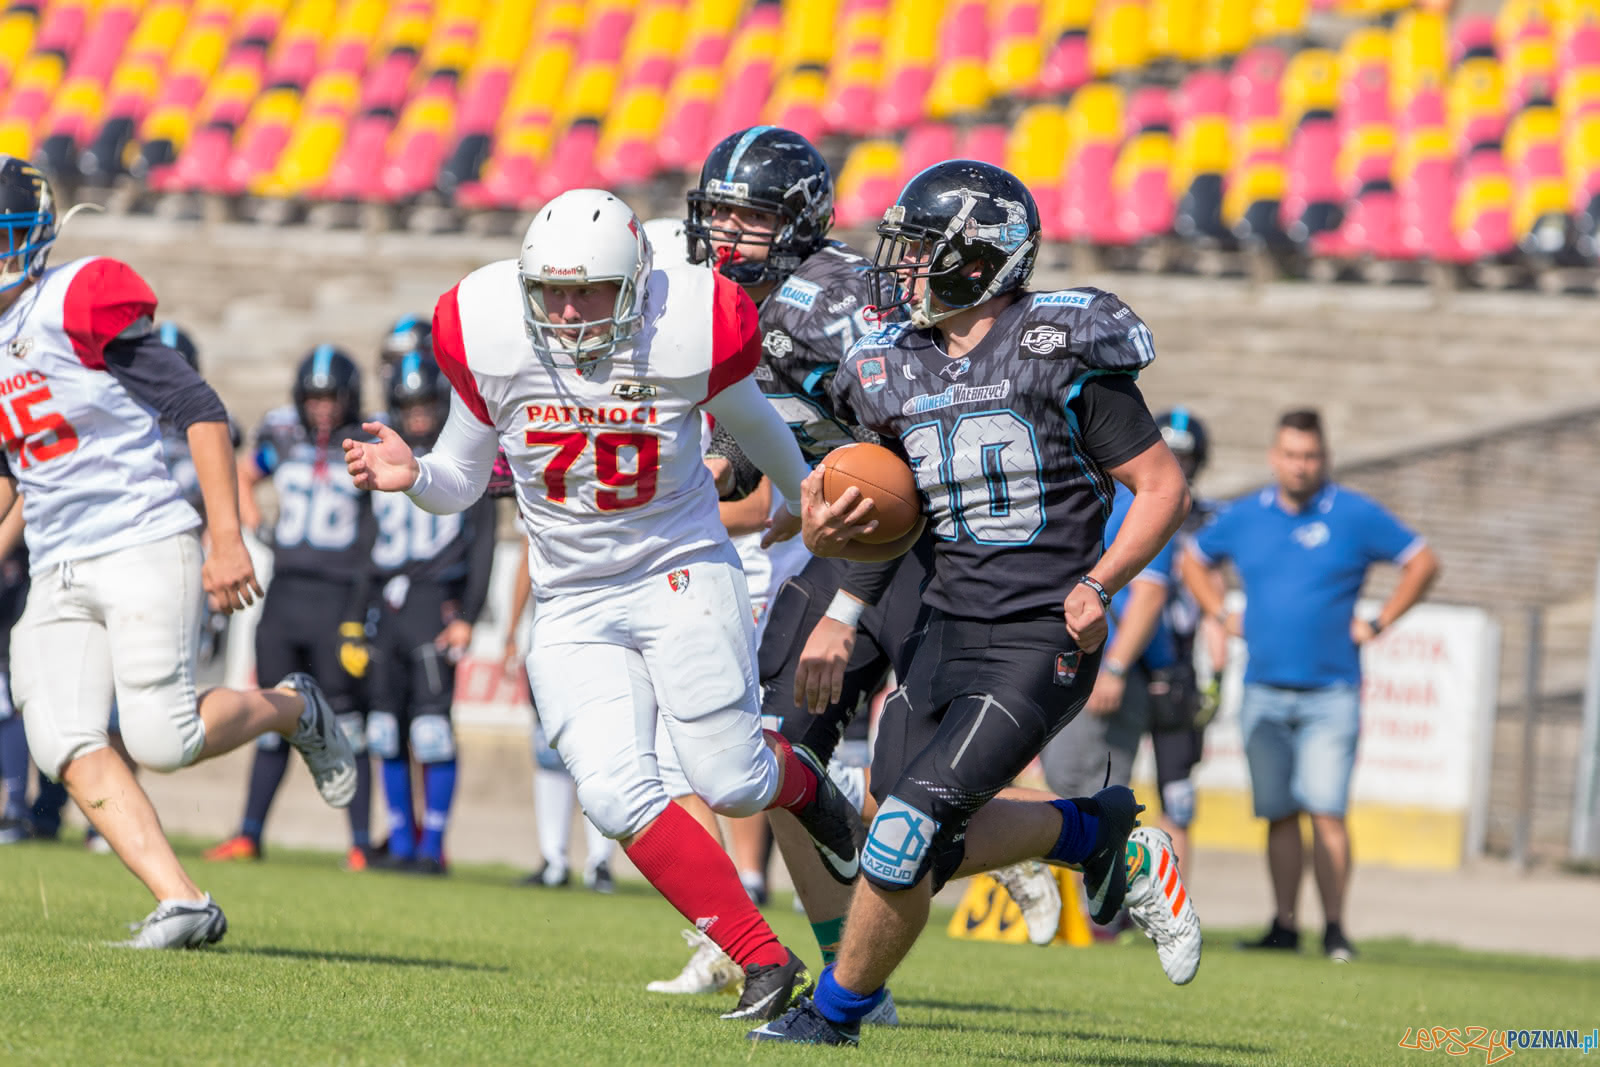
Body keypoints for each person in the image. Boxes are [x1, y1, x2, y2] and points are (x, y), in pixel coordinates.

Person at [343, 187, 864, 1022]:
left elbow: (756, 422)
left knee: (730, 782)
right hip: (573, 593)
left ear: (637, 284)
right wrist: (416, 479)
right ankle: (762, 961)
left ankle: (811, 788)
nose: (571, 309)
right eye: (554, 290)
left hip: (679, 567)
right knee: (616, 795)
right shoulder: (487, 328)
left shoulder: (686, 320)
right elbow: (463, 478)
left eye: (591, 290)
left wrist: (806, 494)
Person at [752, 160, 1193, 1046]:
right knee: (915, 841)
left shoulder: (1057, 343)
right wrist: (840, 551)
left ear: (979, 257)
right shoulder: (895, 367)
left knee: (903, 835)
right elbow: (895, 522)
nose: (901, 268)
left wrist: (1100, 581)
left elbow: (1159, 485)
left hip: (1039, 632)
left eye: (922, 250)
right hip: (940, 628)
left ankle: (831, 1017)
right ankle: (1093, 832)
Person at [674, 129, 1051, 1004]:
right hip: (847, 535)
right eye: (717, 212)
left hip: (920, 535)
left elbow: (908, 434)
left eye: (750, 217)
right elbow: (745, 453)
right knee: (777, 758)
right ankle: (855, 973)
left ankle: (1069, 836)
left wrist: (847, 530)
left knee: (896, 794)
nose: (726, 234)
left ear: (798, 223)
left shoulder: (825, 302)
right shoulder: (727, 305)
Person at [0, 155, 355, 946]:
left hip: (139, 536)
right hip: (58, 559)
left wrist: (225, 538)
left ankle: (294, 705)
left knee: (164, 738)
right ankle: (183, 899)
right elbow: (15, 465)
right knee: (62, 737)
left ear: (30, 240)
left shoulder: (74, 300)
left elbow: (199, 406)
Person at [1182, 408, 1439, 962]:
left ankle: (1336, 930)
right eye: (1292, 455)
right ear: (1275, 457)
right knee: (1278, 813)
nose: (1301, 465)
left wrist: (1378, 621)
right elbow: (1194, 559)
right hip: (1264, 691)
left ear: (1324, 459)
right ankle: (1284, 924)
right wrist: (1221, 613)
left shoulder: (1352, 514)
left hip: (1331, 692)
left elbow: (1421, 561)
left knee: (1326, 810)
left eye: (1311, 456)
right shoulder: (1247, 515)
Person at [206, 347, 378, 869]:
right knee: (271, 712)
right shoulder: (281, 436)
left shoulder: (367, 441)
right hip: (285, 595)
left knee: (348, 721)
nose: (322, 407)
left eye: (331, 397)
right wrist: (254, 522)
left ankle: (360, 845)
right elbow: (240, 474)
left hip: (339, 596)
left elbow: (380, 520)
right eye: (314, 396)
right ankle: (250, 834)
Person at [365, 351, 496, 875]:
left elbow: (483, 541)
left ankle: (433, 845)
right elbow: (362, 541)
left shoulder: (458, 455)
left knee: (432, 731)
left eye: (425, 405)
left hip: (433, 603)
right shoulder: (379, 451)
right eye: (408, 406)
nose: (417, 415)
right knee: (383, 729)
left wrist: (468, 611)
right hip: (387, 605)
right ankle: (400, 840)